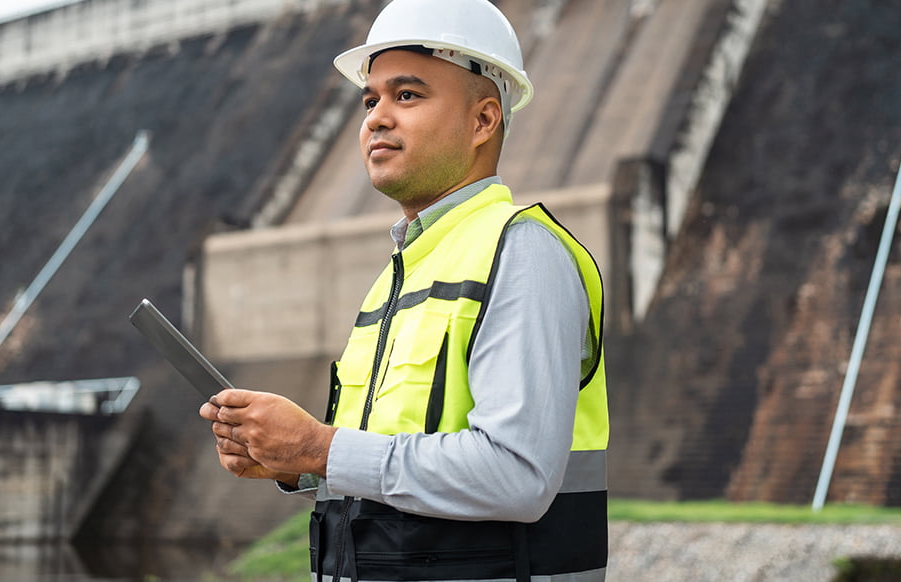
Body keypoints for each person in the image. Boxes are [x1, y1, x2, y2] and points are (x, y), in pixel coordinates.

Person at [199, 0, 610, 580]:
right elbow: (388, 463)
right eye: (370, 100)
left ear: (483, 120)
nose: (375, 118)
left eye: (407, 95)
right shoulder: (403, 272)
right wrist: (291, 462)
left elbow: (518, 476)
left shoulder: (521, 253)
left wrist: (321, 447)